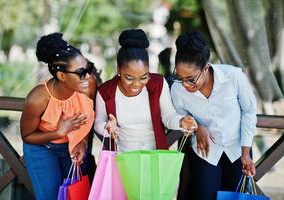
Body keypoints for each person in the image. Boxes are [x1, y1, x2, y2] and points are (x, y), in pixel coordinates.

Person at [171, 31, 257, 200]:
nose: (185, 84)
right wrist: (197, 128)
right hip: (205, 153)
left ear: (206, 67)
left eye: (191, 79)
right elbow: (181, 118)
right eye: (180, 77)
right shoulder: (177, 90)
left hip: (238, 150)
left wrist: (245, 152)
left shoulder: (233, 77)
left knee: (235, 196)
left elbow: (249, 111)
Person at [94, 29, 197, 152]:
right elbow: (98, 123)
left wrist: (181, 121)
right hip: (122, 157)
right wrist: (107, 127)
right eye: (129, 78)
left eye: (144, 77)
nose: (137, 84)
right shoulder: (105, 91)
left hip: (155, 156)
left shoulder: (158, 83)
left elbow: (168, 116)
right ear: (118, 70)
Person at [20, 33, 95, 200]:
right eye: (81, 72)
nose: (88, 76)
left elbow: (88, 118)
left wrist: (81, 142)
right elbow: (27, 136)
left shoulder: (88, 85)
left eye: (89, 68)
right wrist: (59, 132)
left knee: (74, 196)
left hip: (72, 148)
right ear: (61, 76)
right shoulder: (38, 98)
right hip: (42, 149)